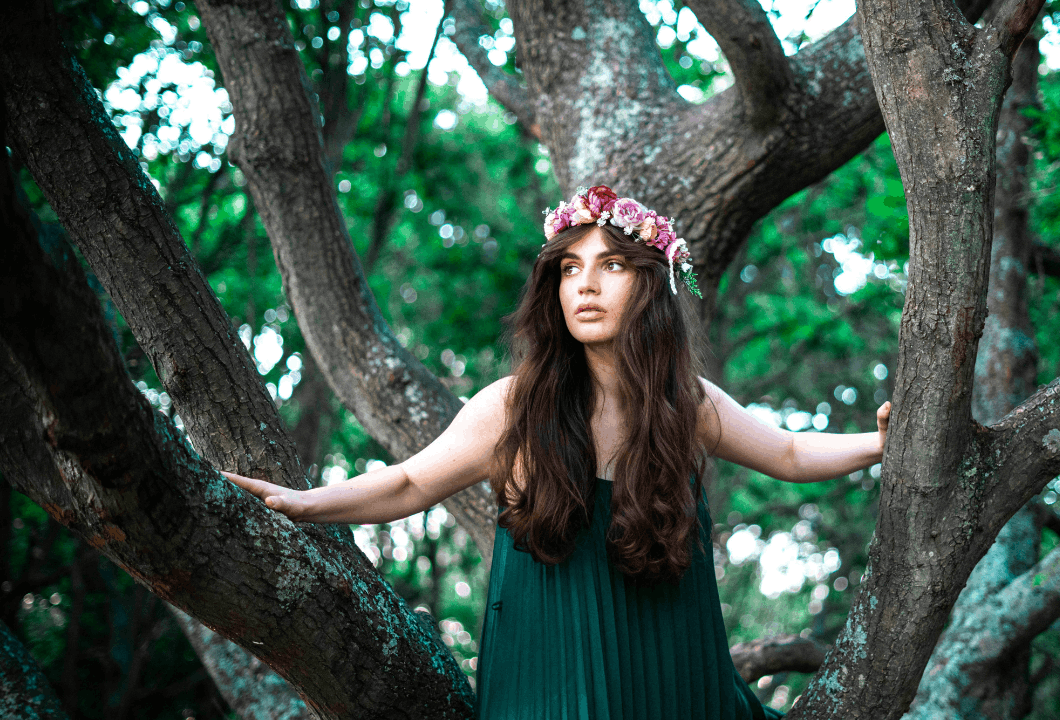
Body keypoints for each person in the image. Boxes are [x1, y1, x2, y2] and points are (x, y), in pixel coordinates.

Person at [223, 185, 891, 719]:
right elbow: (406, 486)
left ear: (649, 285)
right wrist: (306, 503)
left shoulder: (686, 405)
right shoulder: (511, 407)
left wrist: (886, 443)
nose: (586, 286)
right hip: (544, 699)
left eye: (611, 266)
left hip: (681, 696)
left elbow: (794, 453)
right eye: (570, 268)